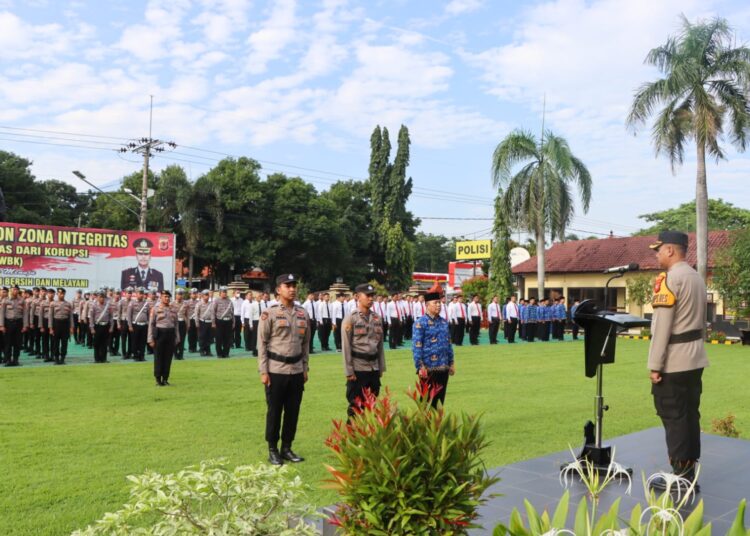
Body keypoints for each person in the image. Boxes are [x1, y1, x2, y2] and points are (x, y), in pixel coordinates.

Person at [646, 231, 709, 493]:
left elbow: (662, 326)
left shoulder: (670, 279)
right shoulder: (696, 277)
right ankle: (689, 471)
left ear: (671, 250)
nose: (657, 255)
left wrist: (655, 364)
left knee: (673, 415)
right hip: (694, 357)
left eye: (658, 250)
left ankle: (680, 477)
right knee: (689, 415)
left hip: (673, 360)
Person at [257, 274, 310, 466]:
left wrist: (305, 367)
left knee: (292, 411)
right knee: (274, 411)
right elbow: (262, 343)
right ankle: (273, 449)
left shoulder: (303, 313)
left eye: (294, 285)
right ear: (278, 290)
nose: (292, 289)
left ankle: (286, 447)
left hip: (296, 370)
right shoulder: (269, 313)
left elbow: (305, 345)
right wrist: (264, 371)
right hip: (276, 369)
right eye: (287, 286)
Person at [342, 284, 386, 418]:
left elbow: (380, 346)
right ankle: (353, 437)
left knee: (371, 407)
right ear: (357, 297)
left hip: (373, 368)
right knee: (356, 408)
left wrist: (381, 368)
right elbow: (346, 346)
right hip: (358, 369)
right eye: (368, 295)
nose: (371, 298)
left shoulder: (377, 318)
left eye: (372, 296)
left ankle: (367, 438)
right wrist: (349, 371)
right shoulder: (351, 318)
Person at [412, 285, 454, 408]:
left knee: (440, 400)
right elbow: (416, 346)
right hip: (428, 369)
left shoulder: (443, 322)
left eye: (440, 303)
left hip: (443, 367)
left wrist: (451, 362)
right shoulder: (420, 323)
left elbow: (448, 344)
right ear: (427, 305)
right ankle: (424, 426)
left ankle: (437, 426)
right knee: (426, 401)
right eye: (435, 303)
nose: (439, 305)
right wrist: (420, 366)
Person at [149, 290, 180, 386]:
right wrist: (150, 339)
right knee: (158, 357)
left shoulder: (173, 309)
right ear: (161, 297)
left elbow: (176, 324)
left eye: (168, 297)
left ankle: (165, 379)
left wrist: (177, 337)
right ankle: (158, 379)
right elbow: (151, 324)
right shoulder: (155, 308)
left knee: (168, 357)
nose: (167, 298)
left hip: (170, 334)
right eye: (165, 296)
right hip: (159, 334)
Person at [1, 285, 27, 366]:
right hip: (8, 323)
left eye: (16, 289)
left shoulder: (22, 301)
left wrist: (25, 325)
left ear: (18, 291)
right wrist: (1, 325)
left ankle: (16, 360)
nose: (14, 291)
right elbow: (2, 314)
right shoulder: (5, 300)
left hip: (19, 323)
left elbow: (25, 314)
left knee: (17, 343)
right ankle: (8, 360)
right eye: (13, 289)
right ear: (10, 291)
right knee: (8, 343)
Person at [48, 288, 74, 365]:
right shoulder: (52, 303)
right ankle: (56, 358)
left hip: (65, 325)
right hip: (56, 324)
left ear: (64, 294)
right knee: (55, 343)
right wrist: (50, 328)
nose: (61, 295)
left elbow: (71, 317)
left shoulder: (68, 304)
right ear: (57, 294)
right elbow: (50, 316)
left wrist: (72, 327)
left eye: (62, 293)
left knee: (64, 343)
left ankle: (62, 358)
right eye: (59, 293)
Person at [89, 291, 114, 363]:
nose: (102, 299)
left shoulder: (108, 306)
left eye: (103, 297)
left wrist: (111, 327)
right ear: (97, 298)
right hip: (97, 326)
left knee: (104, 343)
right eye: (100, 297)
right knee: (97, 343)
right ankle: (97, 359)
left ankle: (104, 358)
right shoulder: (94, 306)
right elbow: (91, 318)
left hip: (106, 326)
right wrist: (92, 328)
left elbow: (111, 317)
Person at [128, 287, 151, 361]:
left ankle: (142, 355)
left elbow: (148, 315)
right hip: (135, 325)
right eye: (140, 293)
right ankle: (135, 356)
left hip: (144, 325)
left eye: (142, 293)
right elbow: (129, 316)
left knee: (143, 341)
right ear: (136, 294)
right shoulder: (132, 303)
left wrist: (148, 324)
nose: (141, 295)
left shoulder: (146, 303)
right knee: (135, 341)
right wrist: (130, 326)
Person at [212, 286, 234, 358]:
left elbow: (232, 312)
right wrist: (213, 322)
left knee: (227, 338)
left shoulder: (229, 301)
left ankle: (226, 353)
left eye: (225, 292)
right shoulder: (216, 300)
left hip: (228, 321)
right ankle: (219, 353)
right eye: (223, 292)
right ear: (220, 293)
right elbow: (213, 312)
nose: (224, 293)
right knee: (219, 338)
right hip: (219, 321)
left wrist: (233, 322)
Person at [196, 289, 214, 356]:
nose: (207, 296)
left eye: (208, 295)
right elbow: (196, 314)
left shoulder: (211, 304)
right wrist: (197, 323)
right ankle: (202, 350)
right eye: (206, 295)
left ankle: (208, 351)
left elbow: (212, 314)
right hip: (202, 322)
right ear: (202, 296)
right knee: (202, 337)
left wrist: (213, 322)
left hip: (209, 322)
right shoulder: (199, 304)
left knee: (209, 337)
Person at [172, 288, 188, 360]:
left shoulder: (185, 304)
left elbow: (187, 315)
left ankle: (181, 355)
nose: (180, 296)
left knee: (182, 339)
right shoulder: (171, 304)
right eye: (178, 294)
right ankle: (175, 354)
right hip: (174, 323)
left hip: (182, 323)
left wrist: (188, 324)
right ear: (175, 295)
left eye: (181, 294)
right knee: (175, 339)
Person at [185, 288, 199, 353]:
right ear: (190, 294)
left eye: (195, 293)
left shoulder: (199, 302)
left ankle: (195, 348)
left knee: (196, 334)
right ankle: (191, 348)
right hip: (190, 319)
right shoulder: (187, 302)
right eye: (193, 293)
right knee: (190, 335)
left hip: (196, 320)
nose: (194, 295)